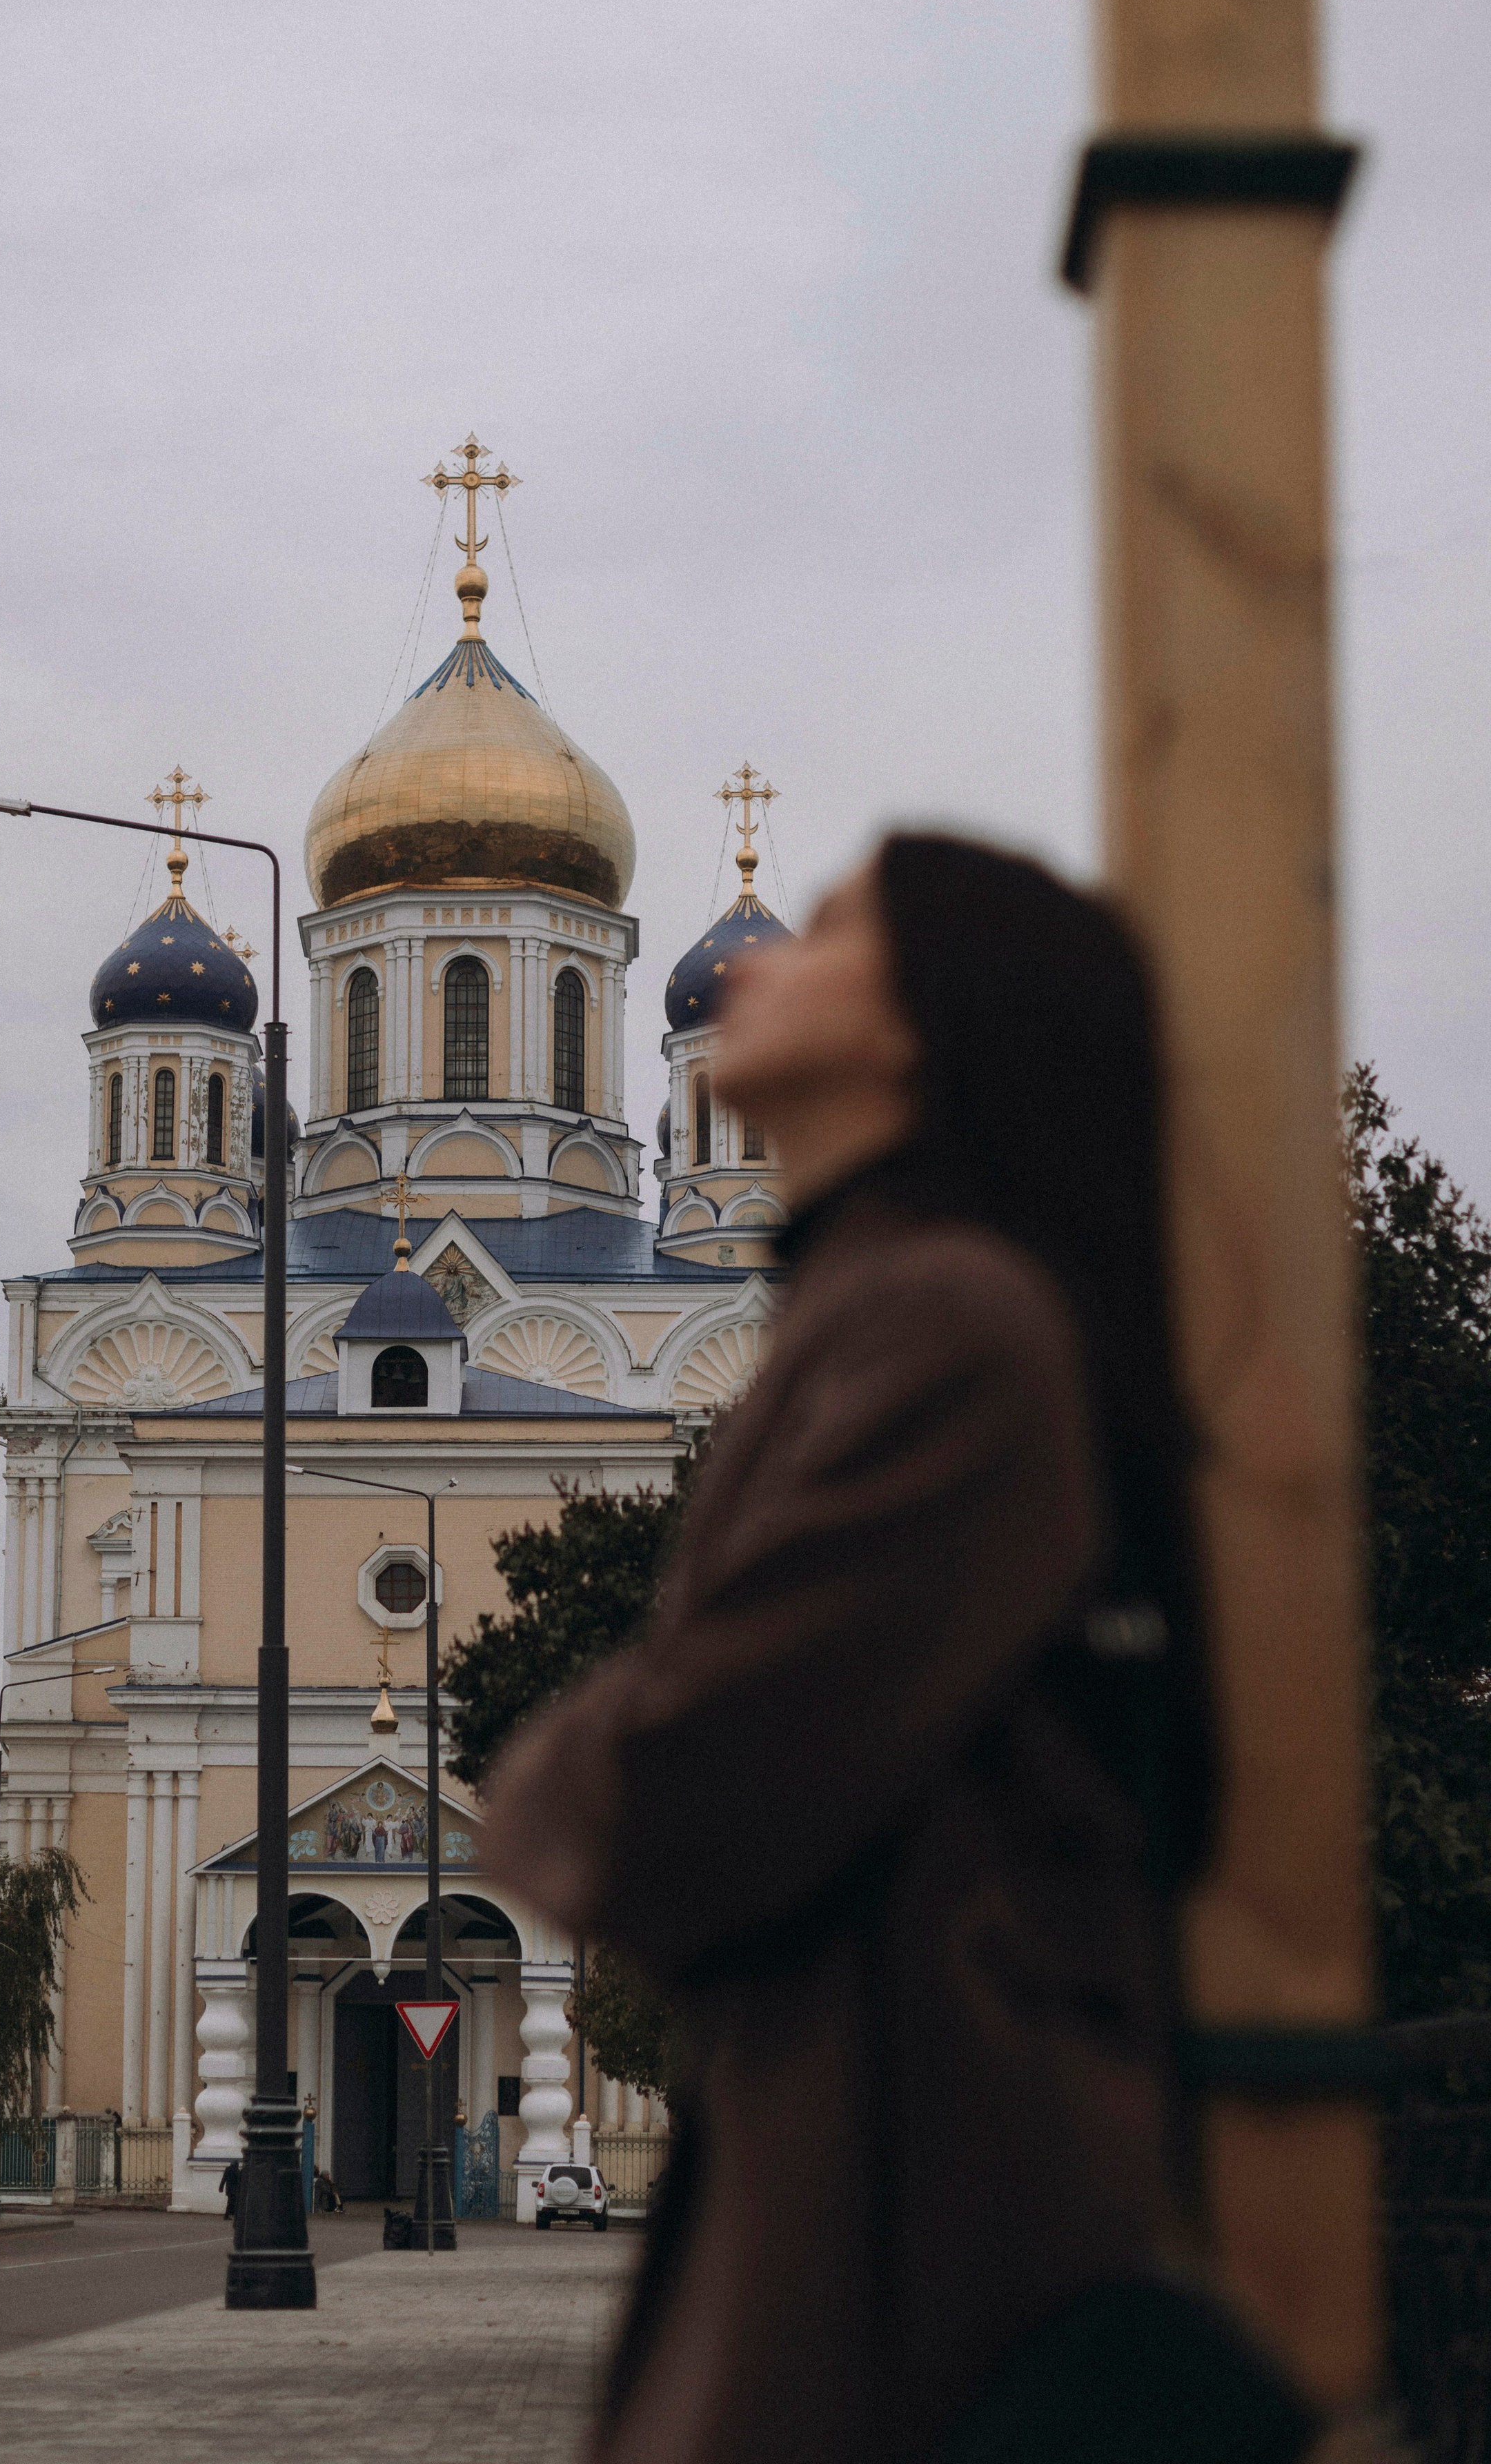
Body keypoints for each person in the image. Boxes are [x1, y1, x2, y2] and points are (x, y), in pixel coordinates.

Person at [483, 836, 1310, 2463]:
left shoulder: (946, 1319)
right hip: (877, 2154)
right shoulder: (887, 1302)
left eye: (838, 928)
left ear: (926, 1029)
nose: (759, 963)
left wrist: (571, 1762)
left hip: (920, 2201)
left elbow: (686, 1784)